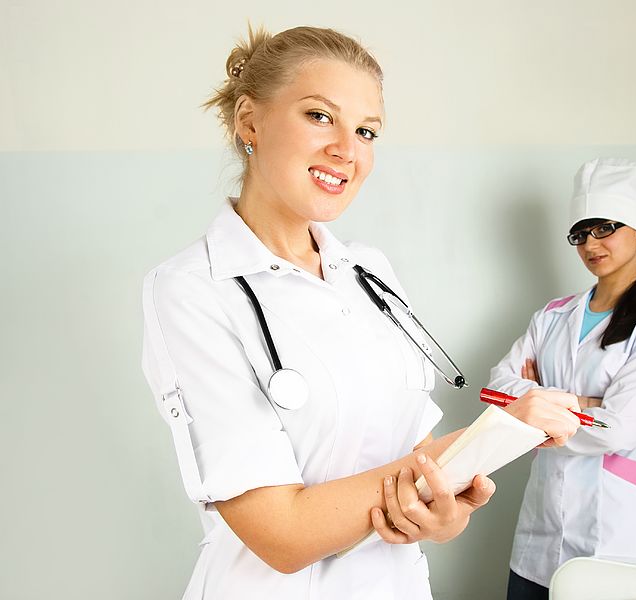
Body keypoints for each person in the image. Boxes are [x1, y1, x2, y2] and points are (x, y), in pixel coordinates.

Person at [141, 25, 582, 599]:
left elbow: (408, 457)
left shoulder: (367, 272)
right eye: (320, 116)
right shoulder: (191, 290)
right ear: (249, 121)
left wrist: (444, 511)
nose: (347, 149)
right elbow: (283, 535)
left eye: (366, 130)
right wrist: (493, 431)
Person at [488, 157, 636, 599]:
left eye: (605, 227)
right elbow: (498, 387)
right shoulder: (552, 316)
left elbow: (622, 428)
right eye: (580, 234)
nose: (590, 244)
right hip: (543, 527)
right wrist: (588, 403)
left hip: (620, 530)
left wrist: (537, 401)